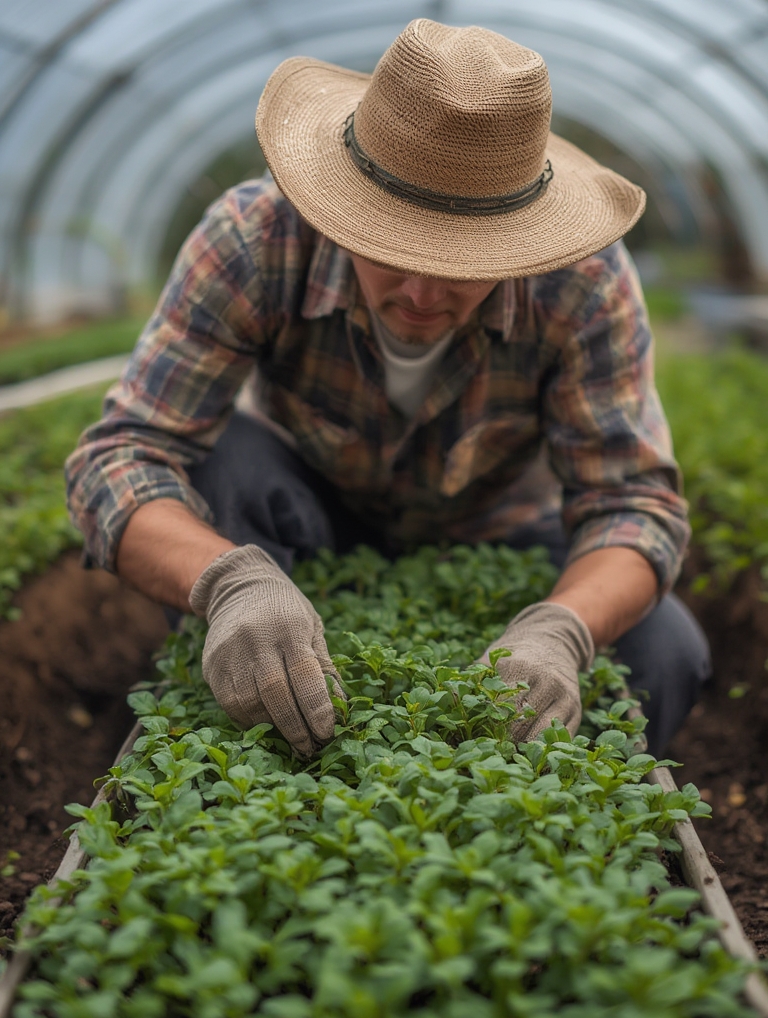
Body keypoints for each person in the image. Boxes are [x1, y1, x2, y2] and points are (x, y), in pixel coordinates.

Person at [65, 19, 710, 759]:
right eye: (389, 243)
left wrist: (561, 626)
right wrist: (231, 582)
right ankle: (253, 694)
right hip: (312, 520)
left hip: (498, 533)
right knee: (231, 466)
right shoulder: (256, 238)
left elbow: (634, 505)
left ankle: (565, 830)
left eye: (465, 259)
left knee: (665, 654)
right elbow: (119, 457)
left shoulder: (582, 284)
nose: (421, 291)